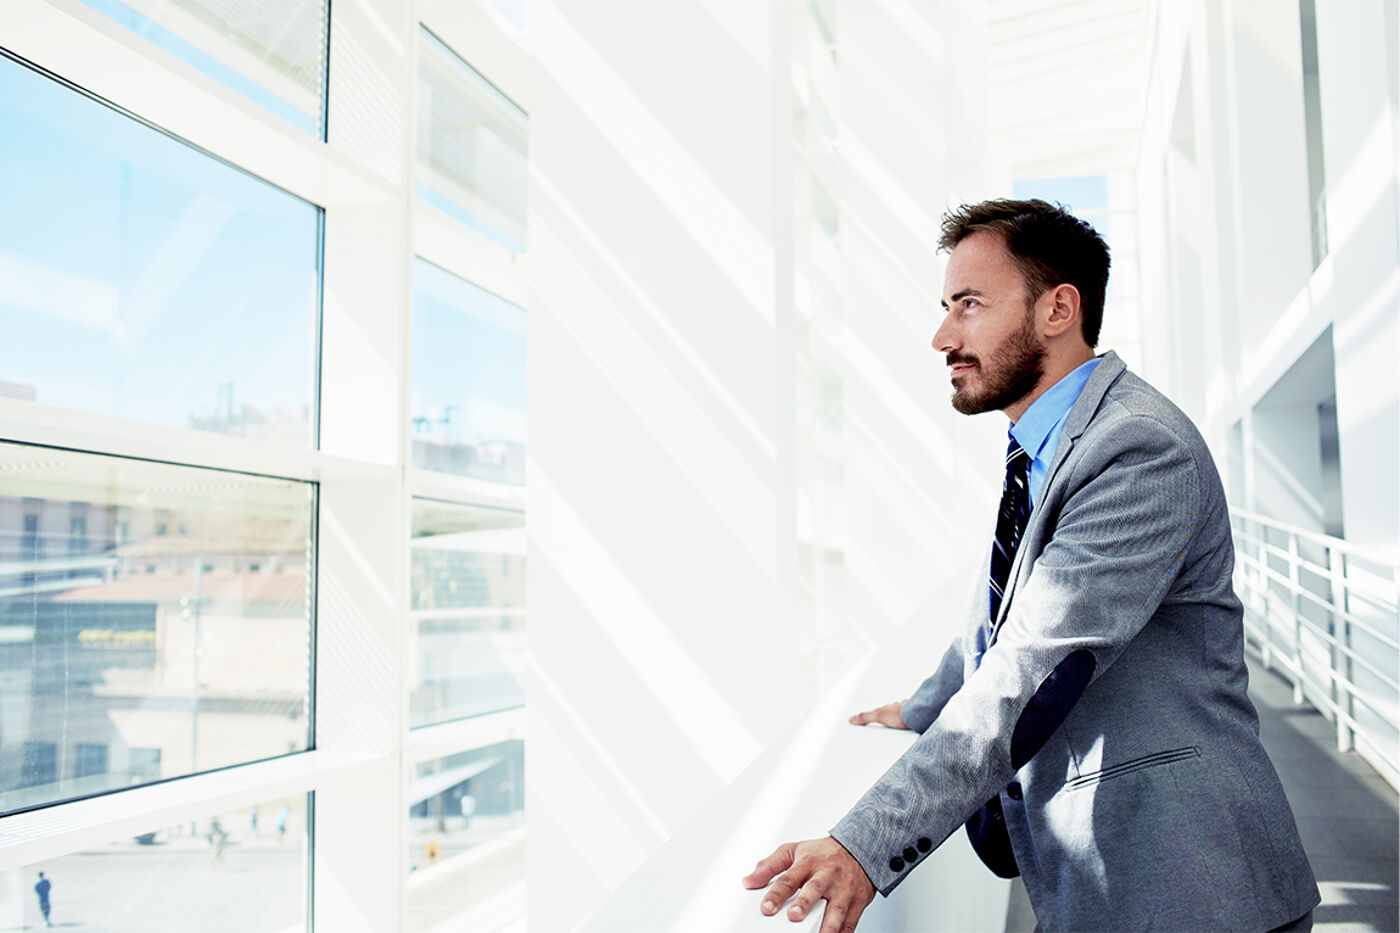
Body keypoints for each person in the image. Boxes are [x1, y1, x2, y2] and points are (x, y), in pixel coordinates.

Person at [743, 199, 1320, 933]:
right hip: (1105, 885)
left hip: (1190, 884)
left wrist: (865, 843)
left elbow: (1035, 664)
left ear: (1058, 310)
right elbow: (1005, 614)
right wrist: (920, 705)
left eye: (970, 305)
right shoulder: (1048, 449)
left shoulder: (1138, 448)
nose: (942, 336)